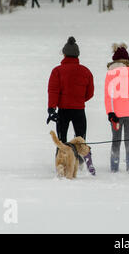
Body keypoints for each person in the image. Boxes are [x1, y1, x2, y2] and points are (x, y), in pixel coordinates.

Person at [47, 37, 96, 176]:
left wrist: (52, 108)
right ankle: (84, 163)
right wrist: (79, 100)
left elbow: (53, 90)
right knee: (81, 139)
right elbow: (90, 93)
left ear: (64, 54)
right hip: (79, 110)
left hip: (62, 111)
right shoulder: (86, 71)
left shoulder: (57, 70)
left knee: (61, 140)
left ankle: (60, 164)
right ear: (77, 55)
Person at [104, 43, 129, 174]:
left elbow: (107, 95)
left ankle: (114, 168)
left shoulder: (110, 74)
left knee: (116, 142)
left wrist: (110, 112)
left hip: (116, 114)